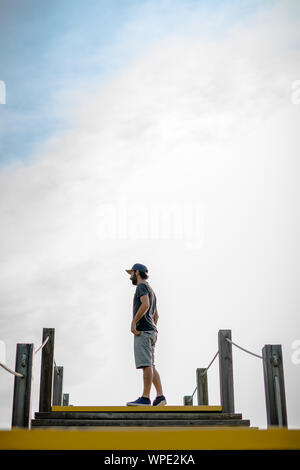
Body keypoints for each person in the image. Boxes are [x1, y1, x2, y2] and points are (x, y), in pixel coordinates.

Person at [125, 263, 167, 406]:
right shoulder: (151, 290)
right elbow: (156, 315)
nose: (130, 276)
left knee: (146, 365)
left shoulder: (141, 287)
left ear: (137, 273)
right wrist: (154, 330)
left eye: (132, 273)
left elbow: (145, 305)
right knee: (150, 365)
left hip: (143, 331)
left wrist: (134, 322)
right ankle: (160, 397)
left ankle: (145, 398)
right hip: (151, 331)